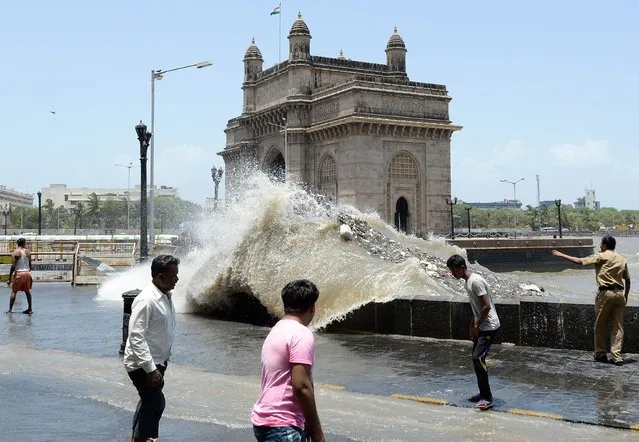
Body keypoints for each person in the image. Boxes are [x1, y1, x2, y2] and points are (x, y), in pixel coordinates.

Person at [251, 279, 325, 442]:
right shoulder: (301, 334)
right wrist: (317, 432)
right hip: (283, 423)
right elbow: (301, 385)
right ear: (312, 308)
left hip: (265, 419)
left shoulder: (277, 330)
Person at [123, 254, 179, 442]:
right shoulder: (146, 299)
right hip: (142, 364)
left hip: (157, 362)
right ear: (160, 276)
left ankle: (137, 438)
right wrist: (150, 369)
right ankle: (143, 438)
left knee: (148, 403)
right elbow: (136, 336)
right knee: (155, 403)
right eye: (173, 275)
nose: (177, 279)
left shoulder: (165, 296)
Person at [552, 235, 630, 366]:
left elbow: (579, 261)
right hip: (620, 294)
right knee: (618, 327)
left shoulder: (601, 256)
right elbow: (627, 279)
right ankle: (617, 356)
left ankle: (600, 354)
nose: (600, 246)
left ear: (604, 246)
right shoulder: (622, 258)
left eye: (601, 244)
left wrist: (561, 254)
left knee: (600, 324)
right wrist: (626, 295)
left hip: (606, 293)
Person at [446, 254, 501, 410]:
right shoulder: (467, 282)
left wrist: (477, 325)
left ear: (462, 268)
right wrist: (472, 326)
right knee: (476, 360)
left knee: (478, 359)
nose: (452, 274)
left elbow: (486, 306)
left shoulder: (475, 281)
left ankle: (487, 398)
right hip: (480, 326)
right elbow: (475, 308)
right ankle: (482, 393)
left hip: (489, 326)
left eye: (453, 270)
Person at [5, 238, 33, 315]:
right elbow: (30, 266)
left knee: (14, 291)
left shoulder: (15, 252)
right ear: (24, 243)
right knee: (27, 292)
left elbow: (13, 266)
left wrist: (10, 277)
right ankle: (30, 309)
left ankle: (10, 310)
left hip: (19, 273)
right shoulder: (28, 252)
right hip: (27, 273)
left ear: (17, 244)